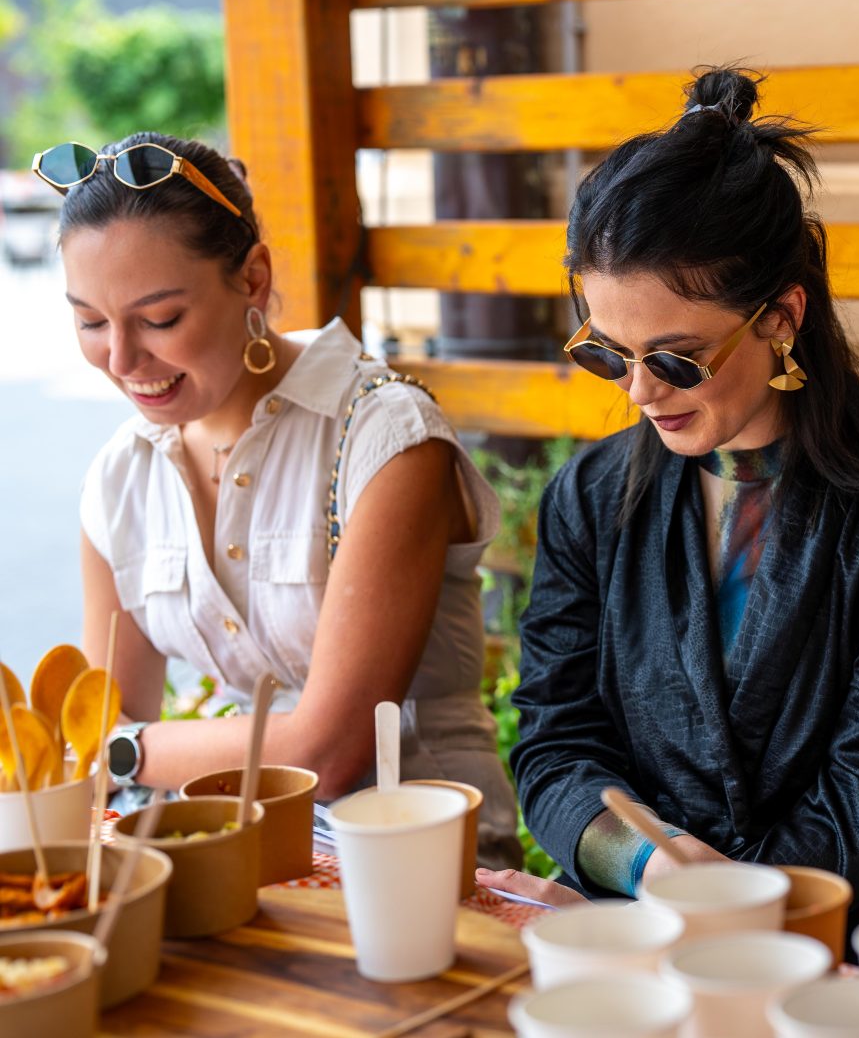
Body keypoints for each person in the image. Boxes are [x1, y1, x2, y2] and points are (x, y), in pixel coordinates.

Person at [476, 68, 859, 912]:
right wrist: (647, 868)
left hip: (838, 940)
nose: (640, 392)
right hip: (633, 916)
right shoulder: (591, 497)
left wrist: (702, 906)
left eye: (676, 359)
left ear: (781, 318)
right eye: (608, 353)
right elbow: (555, 740)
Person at [45, 132, 520, 868]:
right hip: (246, 851)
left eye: (159, 319)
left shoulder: (383, 436)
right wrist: (104, 750)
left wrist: (126, 750)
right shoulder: (119, 478)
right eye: (91, 322)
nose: (121, 359)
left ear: (254, 280)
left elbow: (326, 751)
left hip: (420, 860)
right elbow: (94, 718)